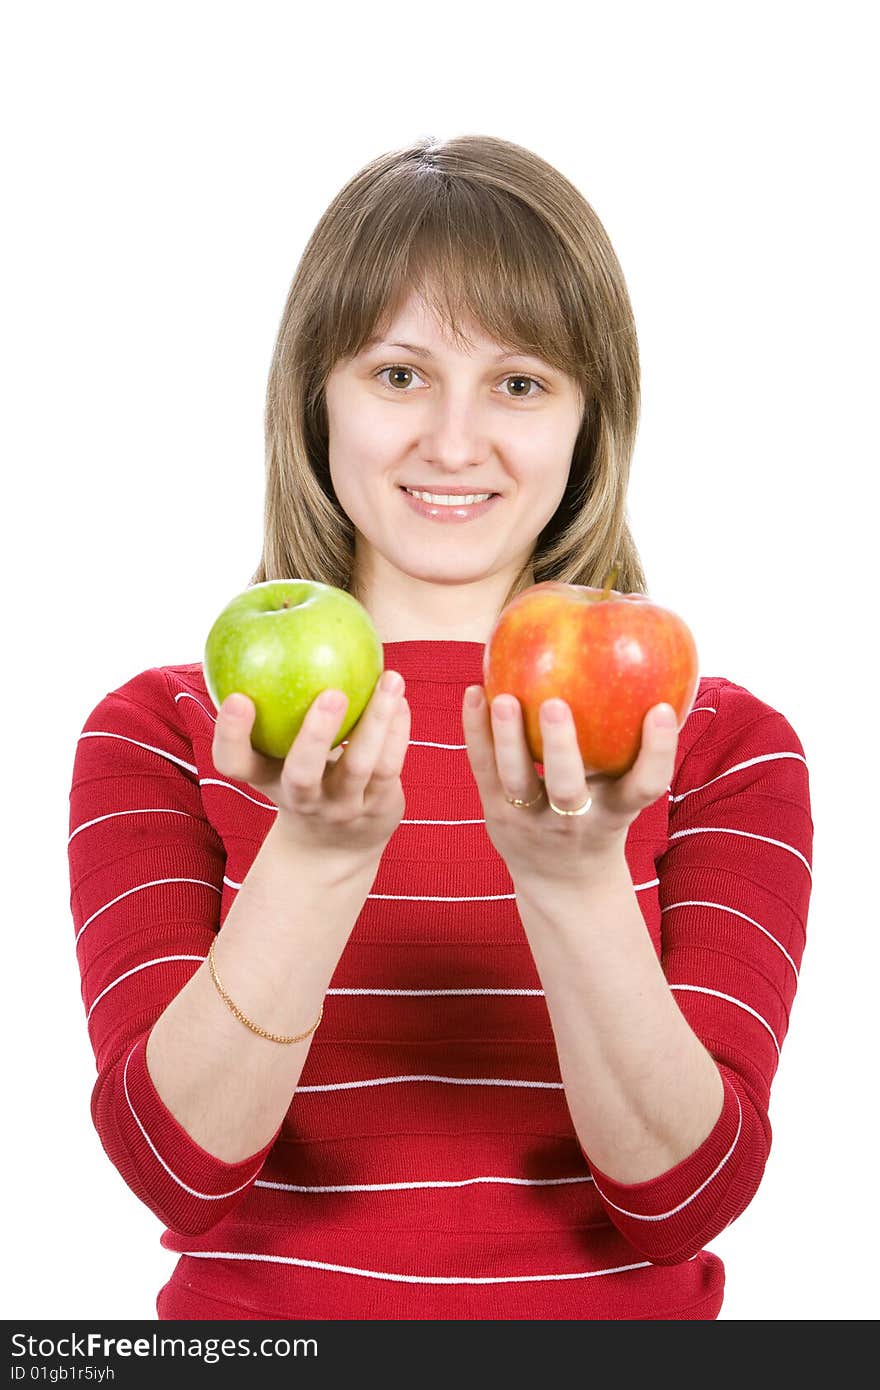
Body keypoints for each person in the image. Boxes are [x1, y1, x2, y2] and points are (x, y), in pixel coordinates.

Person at [67, 134, 813, 1321]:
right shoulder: (175, 729)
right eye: (399, 374)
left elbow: (684, 1200)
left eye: (520, 383)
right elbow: (175, 1173)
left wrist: (574, 886)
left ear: (585, 424)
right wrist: (311, 860)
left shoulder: (708, 743)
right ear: (317, 394)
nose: (454, 443)